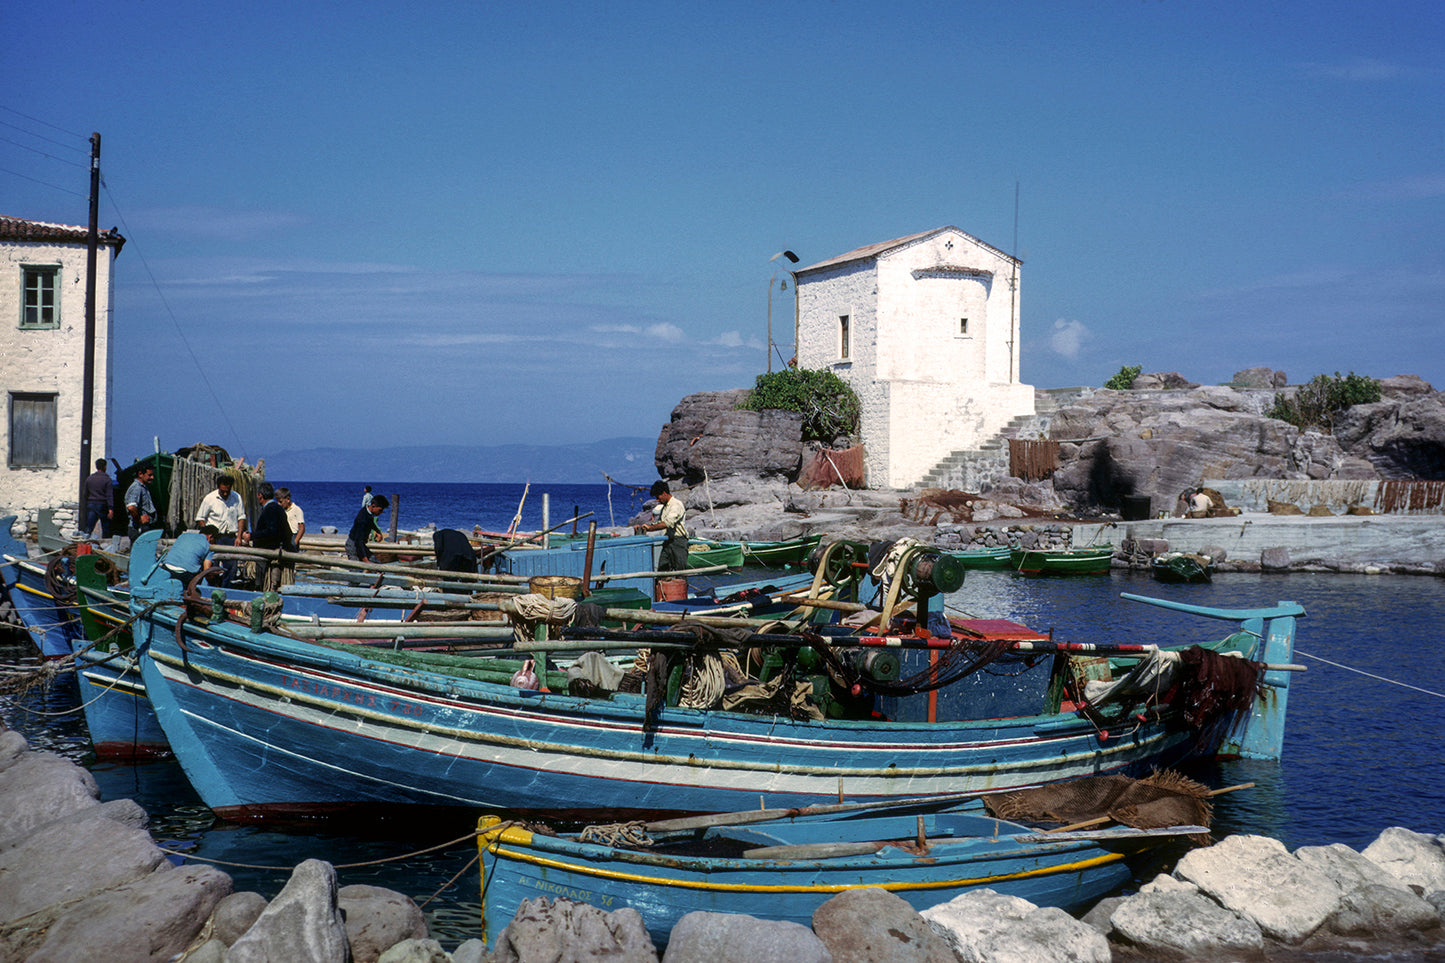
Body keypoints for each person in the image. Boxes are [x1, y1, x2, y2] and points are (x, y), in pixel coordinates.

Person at [195, 474, 248, 585]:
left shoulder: (236, 497)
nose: (225, 494)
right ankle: (212, 587)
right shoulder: (210, 498)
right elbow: (200, 518)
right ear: (218, 487)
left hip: (230, 537)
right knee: (211, 566)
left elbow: (241, 517)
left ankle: (226, 589)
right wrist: (207, 535)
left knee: (230, 567)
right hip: (215, 538)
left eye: (227, 491)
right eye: (222, 491)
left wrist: (239, 537)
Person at [637, 480, 688, 571]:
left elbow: (667, 523)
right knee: (662, 569)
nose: (657, 500)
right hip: (668, 541)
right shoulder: (665, 507)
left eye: (658, 497)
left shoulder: (676, 505)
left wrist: (651, 528)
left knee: (680, 573)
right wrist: (645, 527)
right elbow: (660, 522)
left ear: (664, 493)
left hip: (678, 542)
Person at [347, 494, 388, 562]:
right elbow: (358, 542)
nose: (381, 512)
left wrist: (377, 531)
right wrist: (366, 560)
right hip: (353, 546)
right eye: (380, 510)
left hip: (360, 544)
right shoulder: (362, 520)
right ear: (373, 506)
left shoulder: (367, 511)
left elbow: (370, 522)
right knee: (357, 569)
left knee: (376, 563)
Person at [124, 466, 159, 546]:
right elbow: (131, 507)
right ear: (140, 474)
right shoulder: (137, 488)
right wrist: (139, 519)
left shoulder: (143, 487)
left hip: (142, 528)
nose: (152, 477)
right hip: (138, 529)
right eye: (149, 475)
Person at [83, 459, 114, 540]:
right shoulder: (107, 480)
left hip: (91, 504)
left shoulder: (89, 479)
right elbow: (109, 495)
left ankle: (85, 541)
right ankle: (106, 543)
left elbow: (85, 493)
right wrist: (111, 508)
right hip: (102, 505)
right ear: (105, 467)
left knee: (89, 526)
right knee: (105, 527)